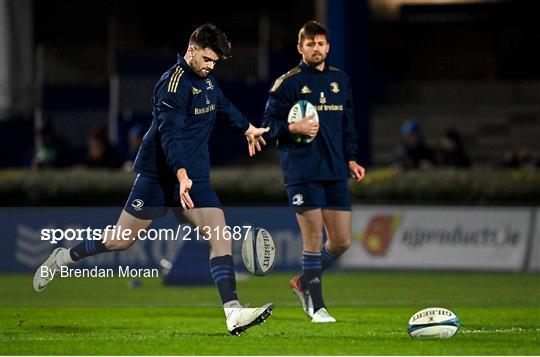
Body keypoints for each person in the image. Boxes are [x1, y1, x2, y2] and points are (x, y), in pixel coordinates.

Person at [33, 23, 273, 335]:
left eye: (215, 62)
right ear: (191, 50)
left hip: (193, 177)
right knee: (120, 240)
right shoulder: (172, 86)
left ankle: (233, 312)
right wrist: (181, 175)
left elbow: (222, 107)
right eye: (207, 60)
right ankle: (64, 256)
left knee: (219, 233)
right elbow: (169, 135)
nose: (211, 67)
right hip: (161, 175)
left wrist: (247, 128)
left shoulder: (207, 80)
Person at [262, 21, 366, 323]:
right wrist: (292, 127)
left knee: (342, 240)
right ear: (301, 48)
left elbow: (347, 125)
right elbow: (267, 128)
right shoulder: (288, 83)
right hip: (302, 170)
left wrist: (352, 159)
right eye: (311, 44)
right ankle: (317, 306)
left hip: (335, 170)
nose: (317, 48)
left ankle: (303, 282)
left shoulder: (340, 80)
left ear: (328, 47)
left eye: (321, 43)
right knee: (313, 236)